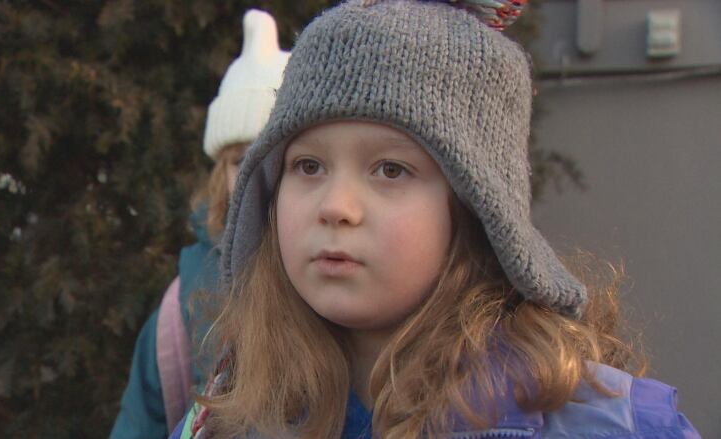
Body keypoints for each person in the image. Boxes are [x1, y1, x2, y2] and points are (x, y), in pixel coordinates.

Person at [171, 1, 700, 438]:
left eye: (391, 169)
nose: (335, 207)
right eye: (308, 165)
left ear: (476, 209)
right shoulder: (221, 424)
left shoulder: (617, 426)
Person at [109, 9, 290, 439]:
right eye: (240, 160)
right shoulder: (179, 312)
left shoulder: (354, 285)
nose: (256, 177)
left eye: (278, 157)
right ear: (219, 175)